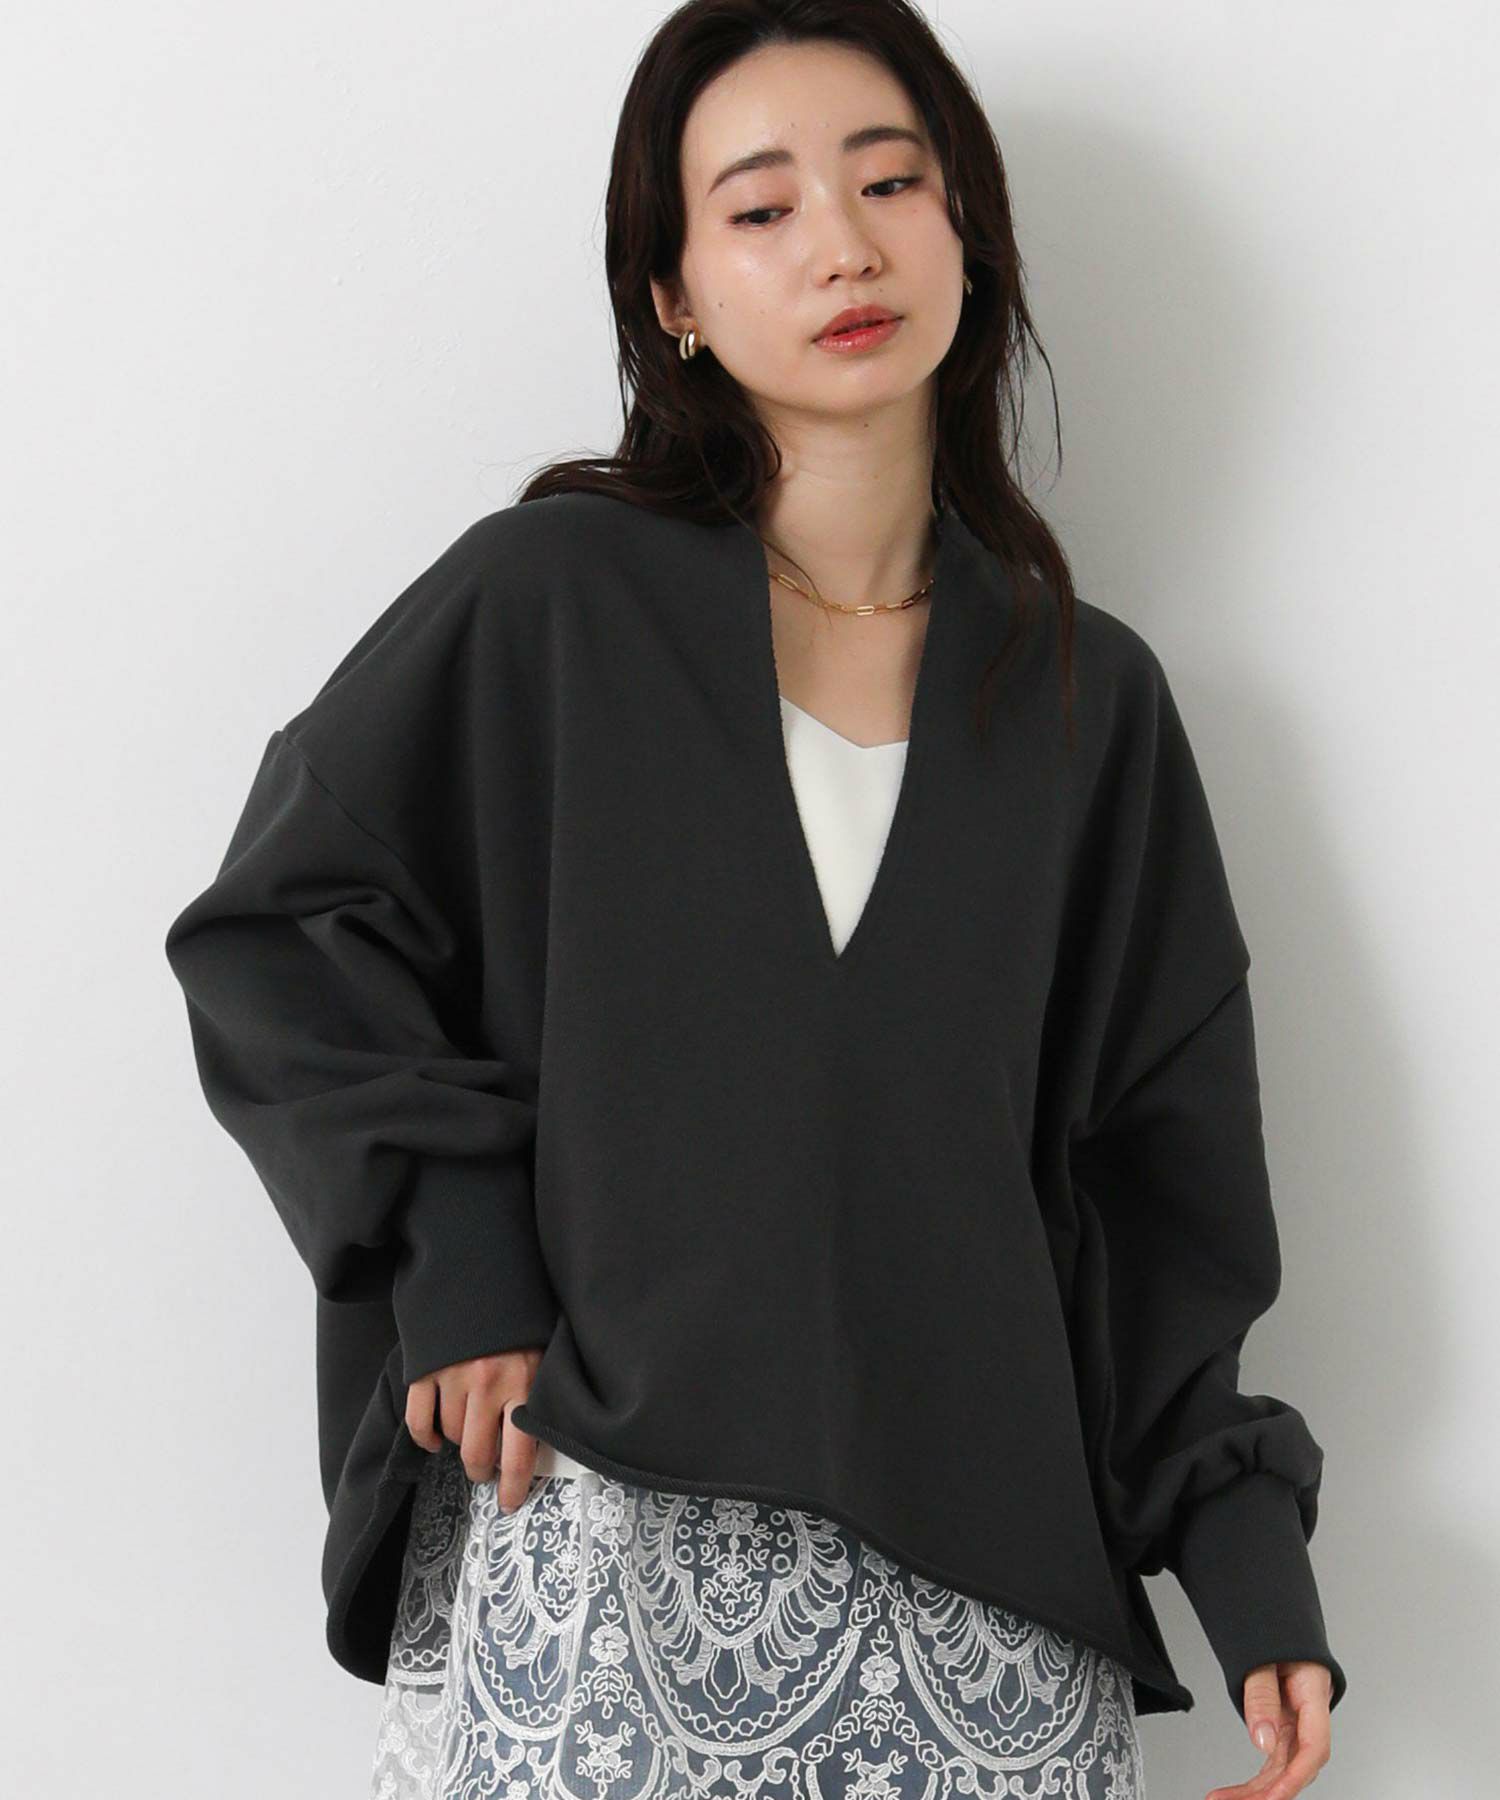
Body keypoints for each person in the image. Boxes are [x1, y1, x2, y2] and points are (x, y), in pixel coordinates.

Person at [163, 7, 1345, 1798]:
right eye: (763, 208)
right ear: (675, 296)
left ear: (968, 232)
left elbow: (1154, 1189)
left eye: (890, 184)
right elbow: (286, 932)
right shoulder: (550, 605)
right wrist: (459, 1257)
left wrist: (1247, 1564)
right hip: (605, 1544)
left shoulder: (1086, 699)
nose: (844, 247)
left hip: (988, 1625)